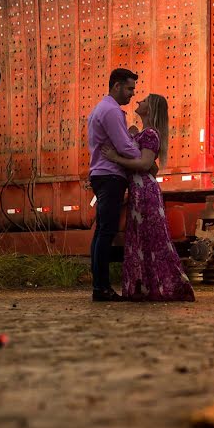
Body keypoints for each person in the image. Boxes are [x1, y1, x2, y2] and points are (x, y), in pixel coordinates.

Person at [102, 94, 195, 302]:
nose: (138, 102)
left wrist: (115, 157)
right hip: (139, 191)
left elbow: (144, 165)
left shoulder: (151, 134)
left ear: (150, 109)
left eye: (143, 101)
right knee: (142, 240)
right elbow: (151, 167)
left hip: (145, 193)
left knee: (151, 240)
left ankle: (164, 287)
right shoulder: (145, 133)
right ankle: (147, 288)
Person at [87, 68, 141, 302]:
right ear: (116, 86)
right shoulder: (111, 111)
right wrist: (144, 155)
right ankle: (101, 288)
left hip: (102, 174)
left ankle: (100, 285)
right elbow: (123, 147)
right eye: (129, 88)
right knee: (106, 232)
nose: (132, 94)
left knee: (101, 232)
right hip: (110, 175)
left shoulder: (101, 108)